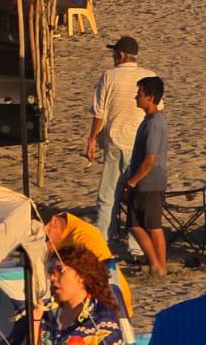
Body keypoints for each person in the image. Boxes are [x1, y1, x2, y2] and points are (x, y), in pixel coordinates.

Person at [86, 37, 157, 250]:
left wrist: (91, 139)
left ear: (120, 55)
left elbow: (100, 113)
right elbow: (157, 110)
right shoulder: (149, 76)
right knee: (136, 195)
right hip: (141, 143)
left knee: (108, 195)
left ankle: (103, 241)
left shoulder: (109, 76)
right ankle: (136, 246)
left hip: (116, 141)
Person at [122, 77, 169, 276]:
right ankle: (155, 264)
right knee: (134, 224)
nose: (136, 97)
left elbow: (150, 160)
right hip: (142, 181)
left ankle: (160, 266)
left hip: (150, 182)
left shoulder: (155, 123)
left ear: (150, 97)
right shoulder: (148, 121)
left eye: (139, 94)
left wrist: (131, 182)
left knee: (153, 226)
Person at [46, 211, 132, 317]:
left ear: (54, 222)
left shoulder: (85, 237)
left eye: (44, 238)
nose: (42, 244)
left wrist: (116, 314)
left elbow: (108, 273)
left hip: (110, 302)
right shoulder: (56, 234)